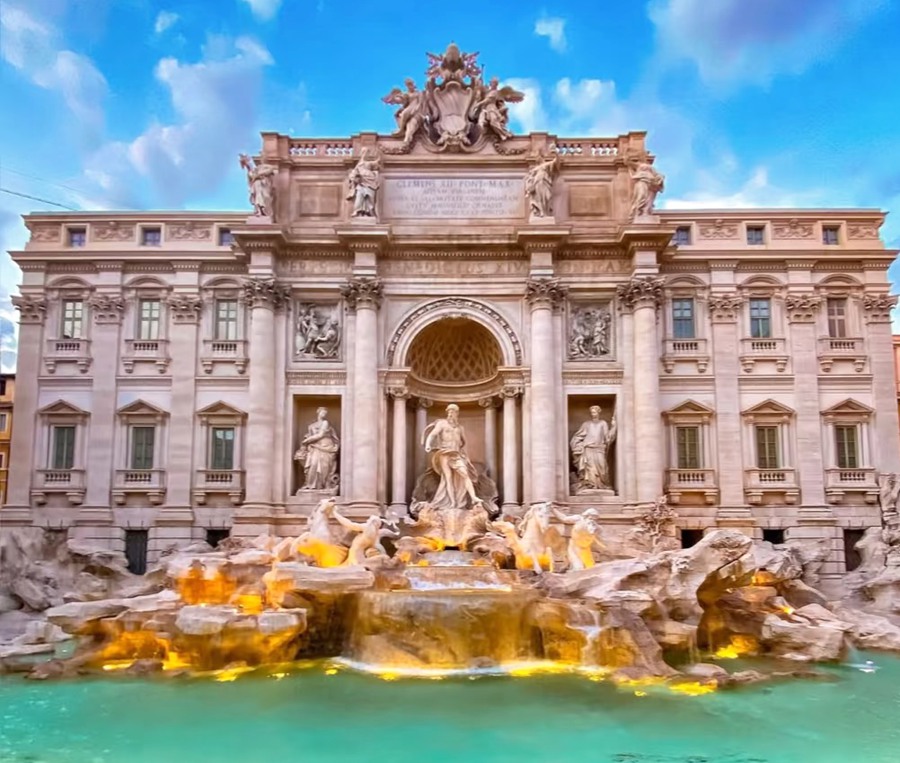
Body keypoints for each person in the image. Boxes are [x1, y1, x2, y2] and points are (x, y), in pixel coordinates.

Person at [423, 403, 481, 511]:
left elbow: (463, 441)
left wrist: (461, 451)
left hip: (456, 454)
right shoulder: (442, 424)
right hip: (444, 453)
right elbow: (433, 434)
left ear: (456, 414)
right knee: (448, 478)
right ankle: (452, 503)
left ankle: (473, 497)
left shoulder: (460, 428)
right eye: (449, 412)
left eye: (453, 412)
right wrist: (428, 444)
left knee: (465, 474)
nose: (450, 414)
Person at [570, 405, 617, 491]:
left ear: (598, 412)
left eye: (594, 412)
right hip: (588, 449)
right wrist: (578, 445)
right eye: (592, 412)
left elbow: (608, 438)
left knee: (602, 469)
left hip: (599, 449)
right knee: (589, 469)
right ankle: (590, 485)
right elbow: (577, 436)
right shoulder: (586, 424)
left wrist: (613, 427)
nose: (593, 414)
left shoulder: (603, 423)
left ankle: (602, 485)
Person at [294, 407, 340, 491]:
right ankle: (311, 484)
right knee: (313, 464)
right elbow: (310, 435)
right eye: (323, 412)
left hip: (326, 445)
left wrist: (307, 440)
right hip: (314, 447)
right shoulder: (311, 426)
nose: (324, 414)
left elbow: (321, 435)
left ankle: (322, 485)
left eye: (325, 413)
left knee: (324, 466)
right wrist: (306, 441)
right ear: (318, 412)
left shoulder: (325, 423)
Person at [346, 148, 381, 218]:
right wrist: (355, 178)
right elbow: (353, 175)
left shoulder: (371, 164)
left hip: (371, 182)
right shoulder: (358, 165)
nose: (365, 154)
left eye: (367, 152)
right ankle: (358, 211)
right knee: (359, 196)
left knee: (370, 197)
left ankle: (369, 211)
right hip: (361, 183)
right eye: (364, 152)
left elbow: (378, 162)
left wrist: (379, 153)